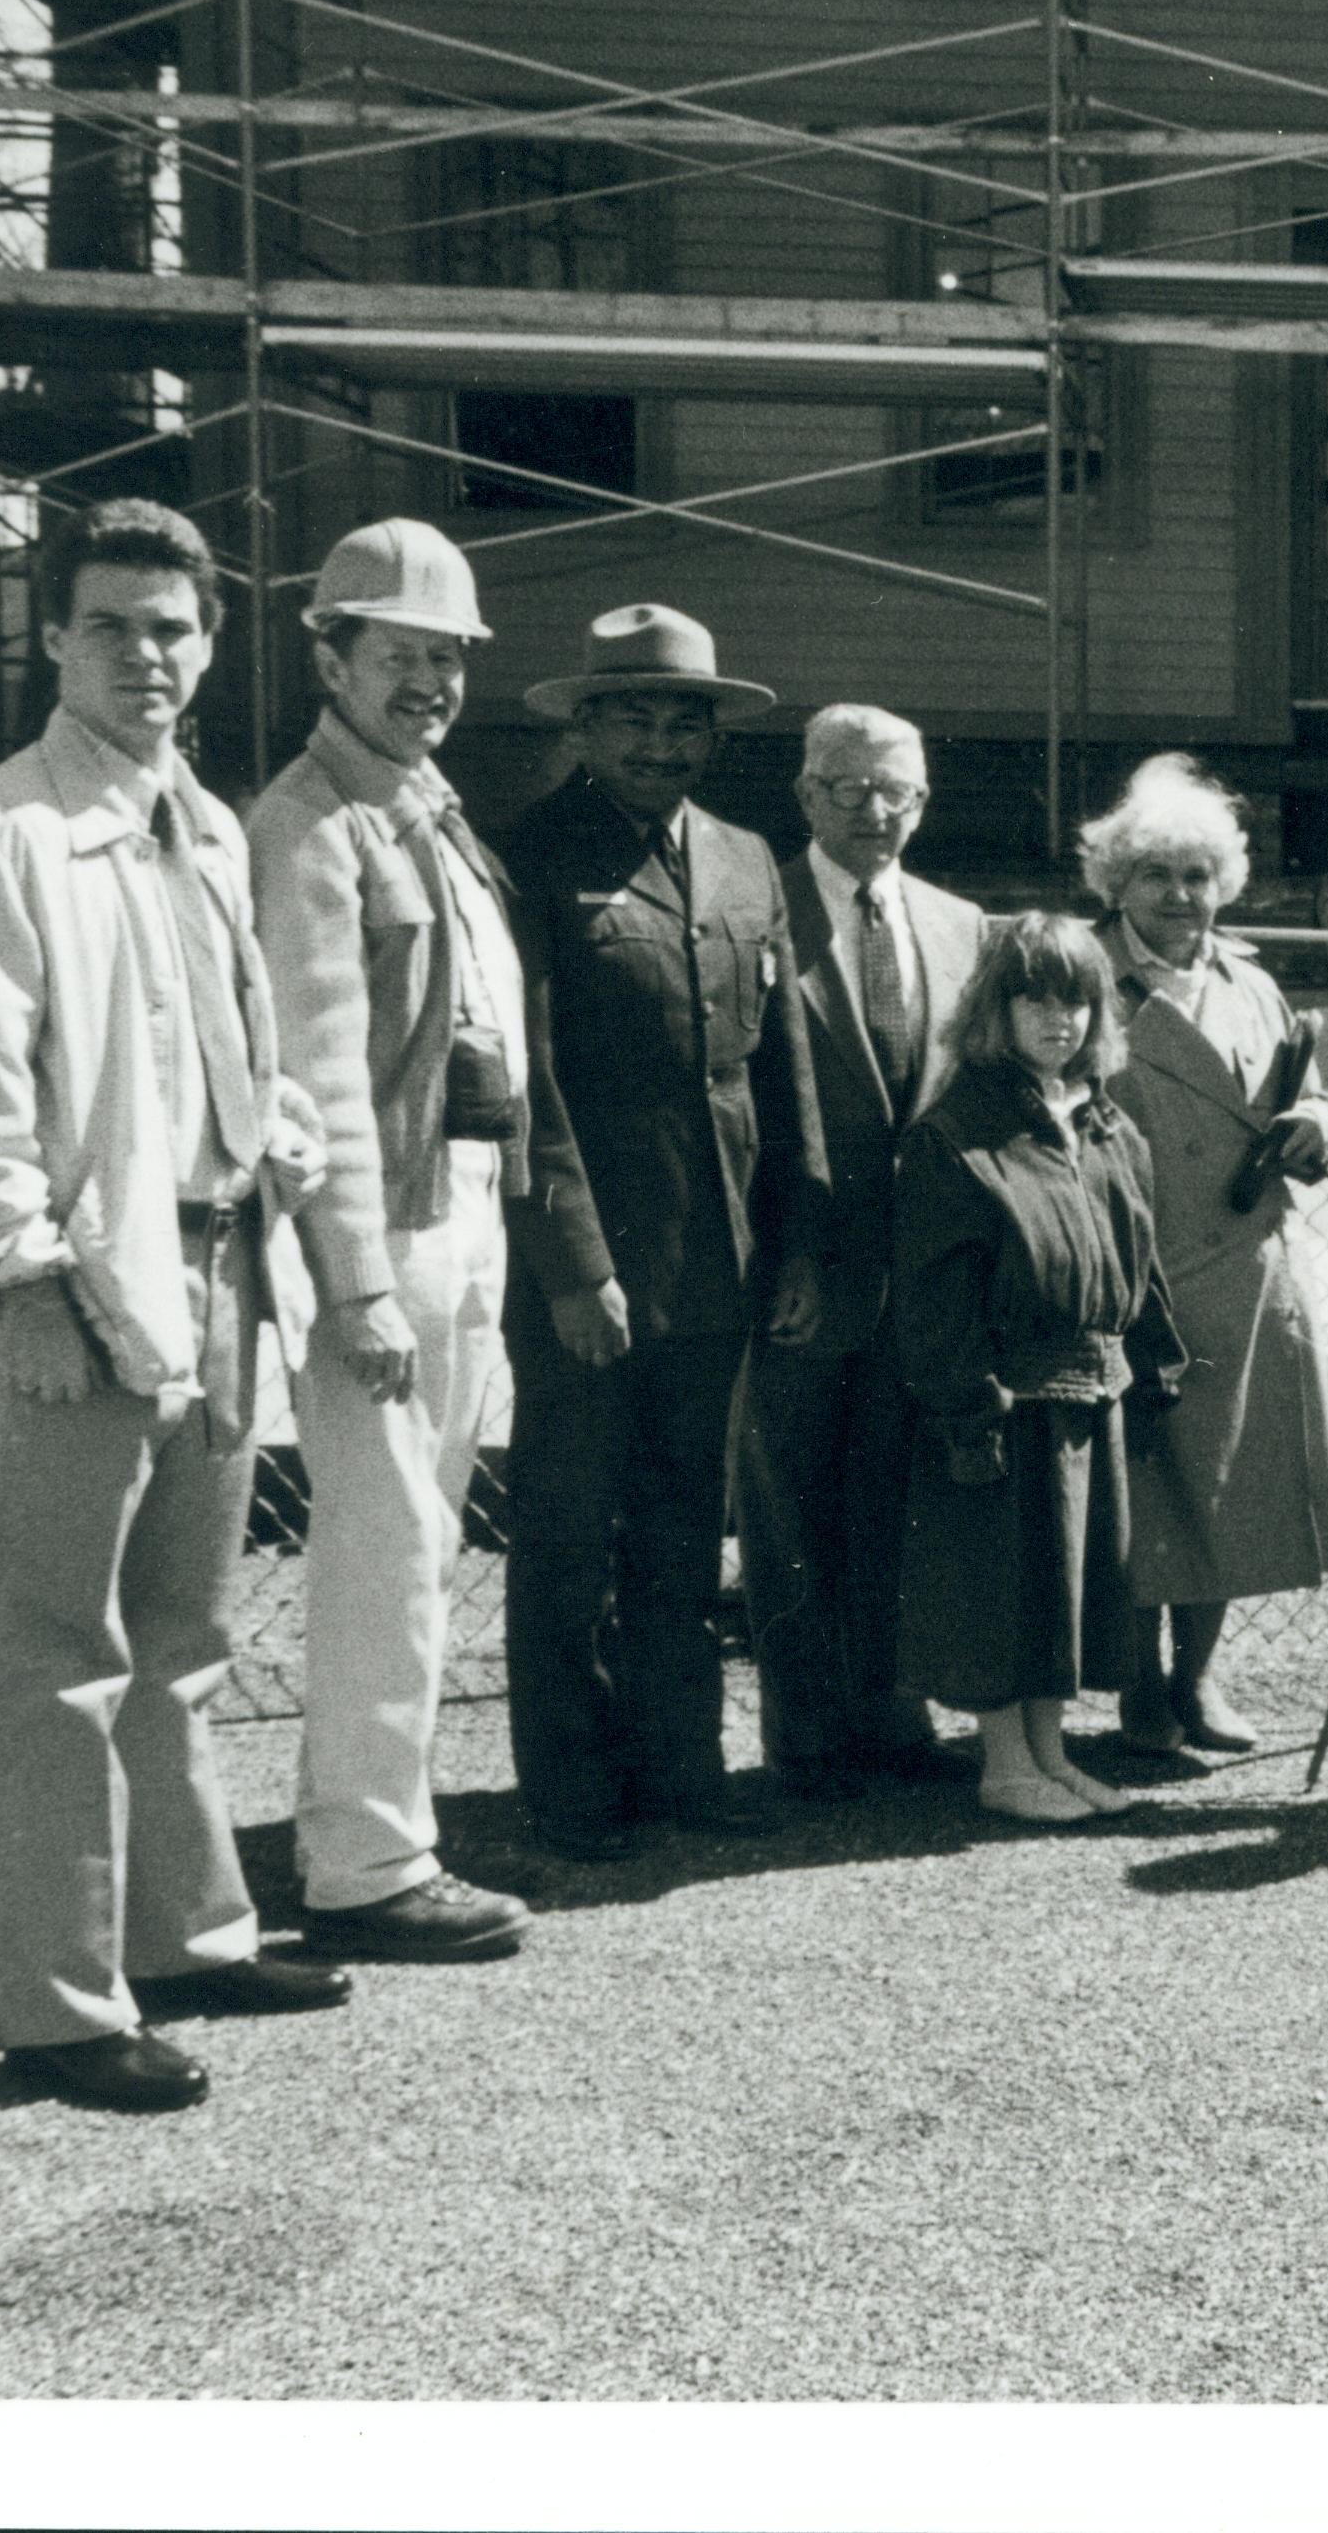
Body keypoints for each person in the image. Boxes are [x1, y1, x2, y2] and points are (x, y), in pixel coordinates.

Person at [0, 498, 342, 2111]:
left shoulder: (205, 831)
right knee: (52, 1652)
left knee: (181, 1637)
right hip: (75, 1295)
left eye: (173, 627)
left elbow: (228, 1050)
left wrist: (280, 1151)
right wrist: (13, 1275)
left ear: (210, 645)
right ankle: (65, 2001)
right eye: (111, 626)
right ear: (55, 641)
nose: (146, 655)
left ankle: (191, 1935)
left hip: (219, 1269)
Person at [245, 519, 540, 1960]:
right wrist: (353, 1280)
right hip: (396, 1233)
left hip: (468, 1206)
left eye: (445, 656)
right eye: (398, 652)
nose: (426, 679)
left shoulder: (427, 808)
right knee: (384, 1541)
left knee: (423, 1536)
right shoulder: (306, 825)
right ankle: (365, 1863)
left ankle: (386, 1819)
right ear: (331, 654)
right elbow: (316, 1081)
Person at [498, 604, 803, 1859]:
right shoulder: (525, 855)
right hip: (591, 1275)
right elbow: (529, 1079)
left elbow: (773, 1076)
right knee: (571, 1530)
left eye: (686, 719)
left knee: (686, 1527)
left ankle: (681, 1763)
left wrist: (794, 1245)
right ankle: (570, 1784)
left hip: (718, 1264)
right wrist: (574, 1266)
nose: (662, 741)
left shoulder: (746, 858)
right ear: (584, 723)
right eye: (633, 715)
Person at [739, 704, 986, 1802]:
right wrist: (779, 1250)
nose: (874, 811)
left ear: (923, 801)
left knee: (901, 1496)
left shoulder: (960, 924)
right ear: (804, 795)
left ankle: (893, 1712)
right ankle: (805, 1734)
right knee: (787, 1500)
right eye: (847, 788)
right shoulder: (751, 910)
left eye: (897, 790)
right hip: (802, 1269)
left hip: (922, 1274)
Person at [892, 915, 1187, 1823]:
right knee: (1005, 1587)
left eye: (1076, 999)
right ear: (996, 1008)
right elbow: (934, 1296)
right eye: (1036, 998)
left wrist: (1154, 1364)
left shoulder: (1102, 1121)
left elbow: (1141, 1256)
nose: (1058, 1018)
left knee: (1068, 1591)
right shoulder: (960, 1131)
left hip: (1091, 1389)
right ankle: (1005, 1766)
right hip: (1005, 1399)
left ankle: (1051, 1757)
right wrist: (964, 1408)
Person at [1081, 753, 1328, 1758]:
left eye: (1199, 876)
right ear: (1118, 883)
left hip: (1246, 1268)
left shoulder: (1252, 982)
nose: (1182, 896)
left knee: (1231, 1487)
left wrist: (1315, 1121)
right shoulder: (1081, 975)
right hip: (1135, 1273)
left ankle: (1198, 1678)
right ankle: (1139, 1689)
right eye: (1158, 875)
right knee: (1147, 1491)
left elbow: (1304, 1087)